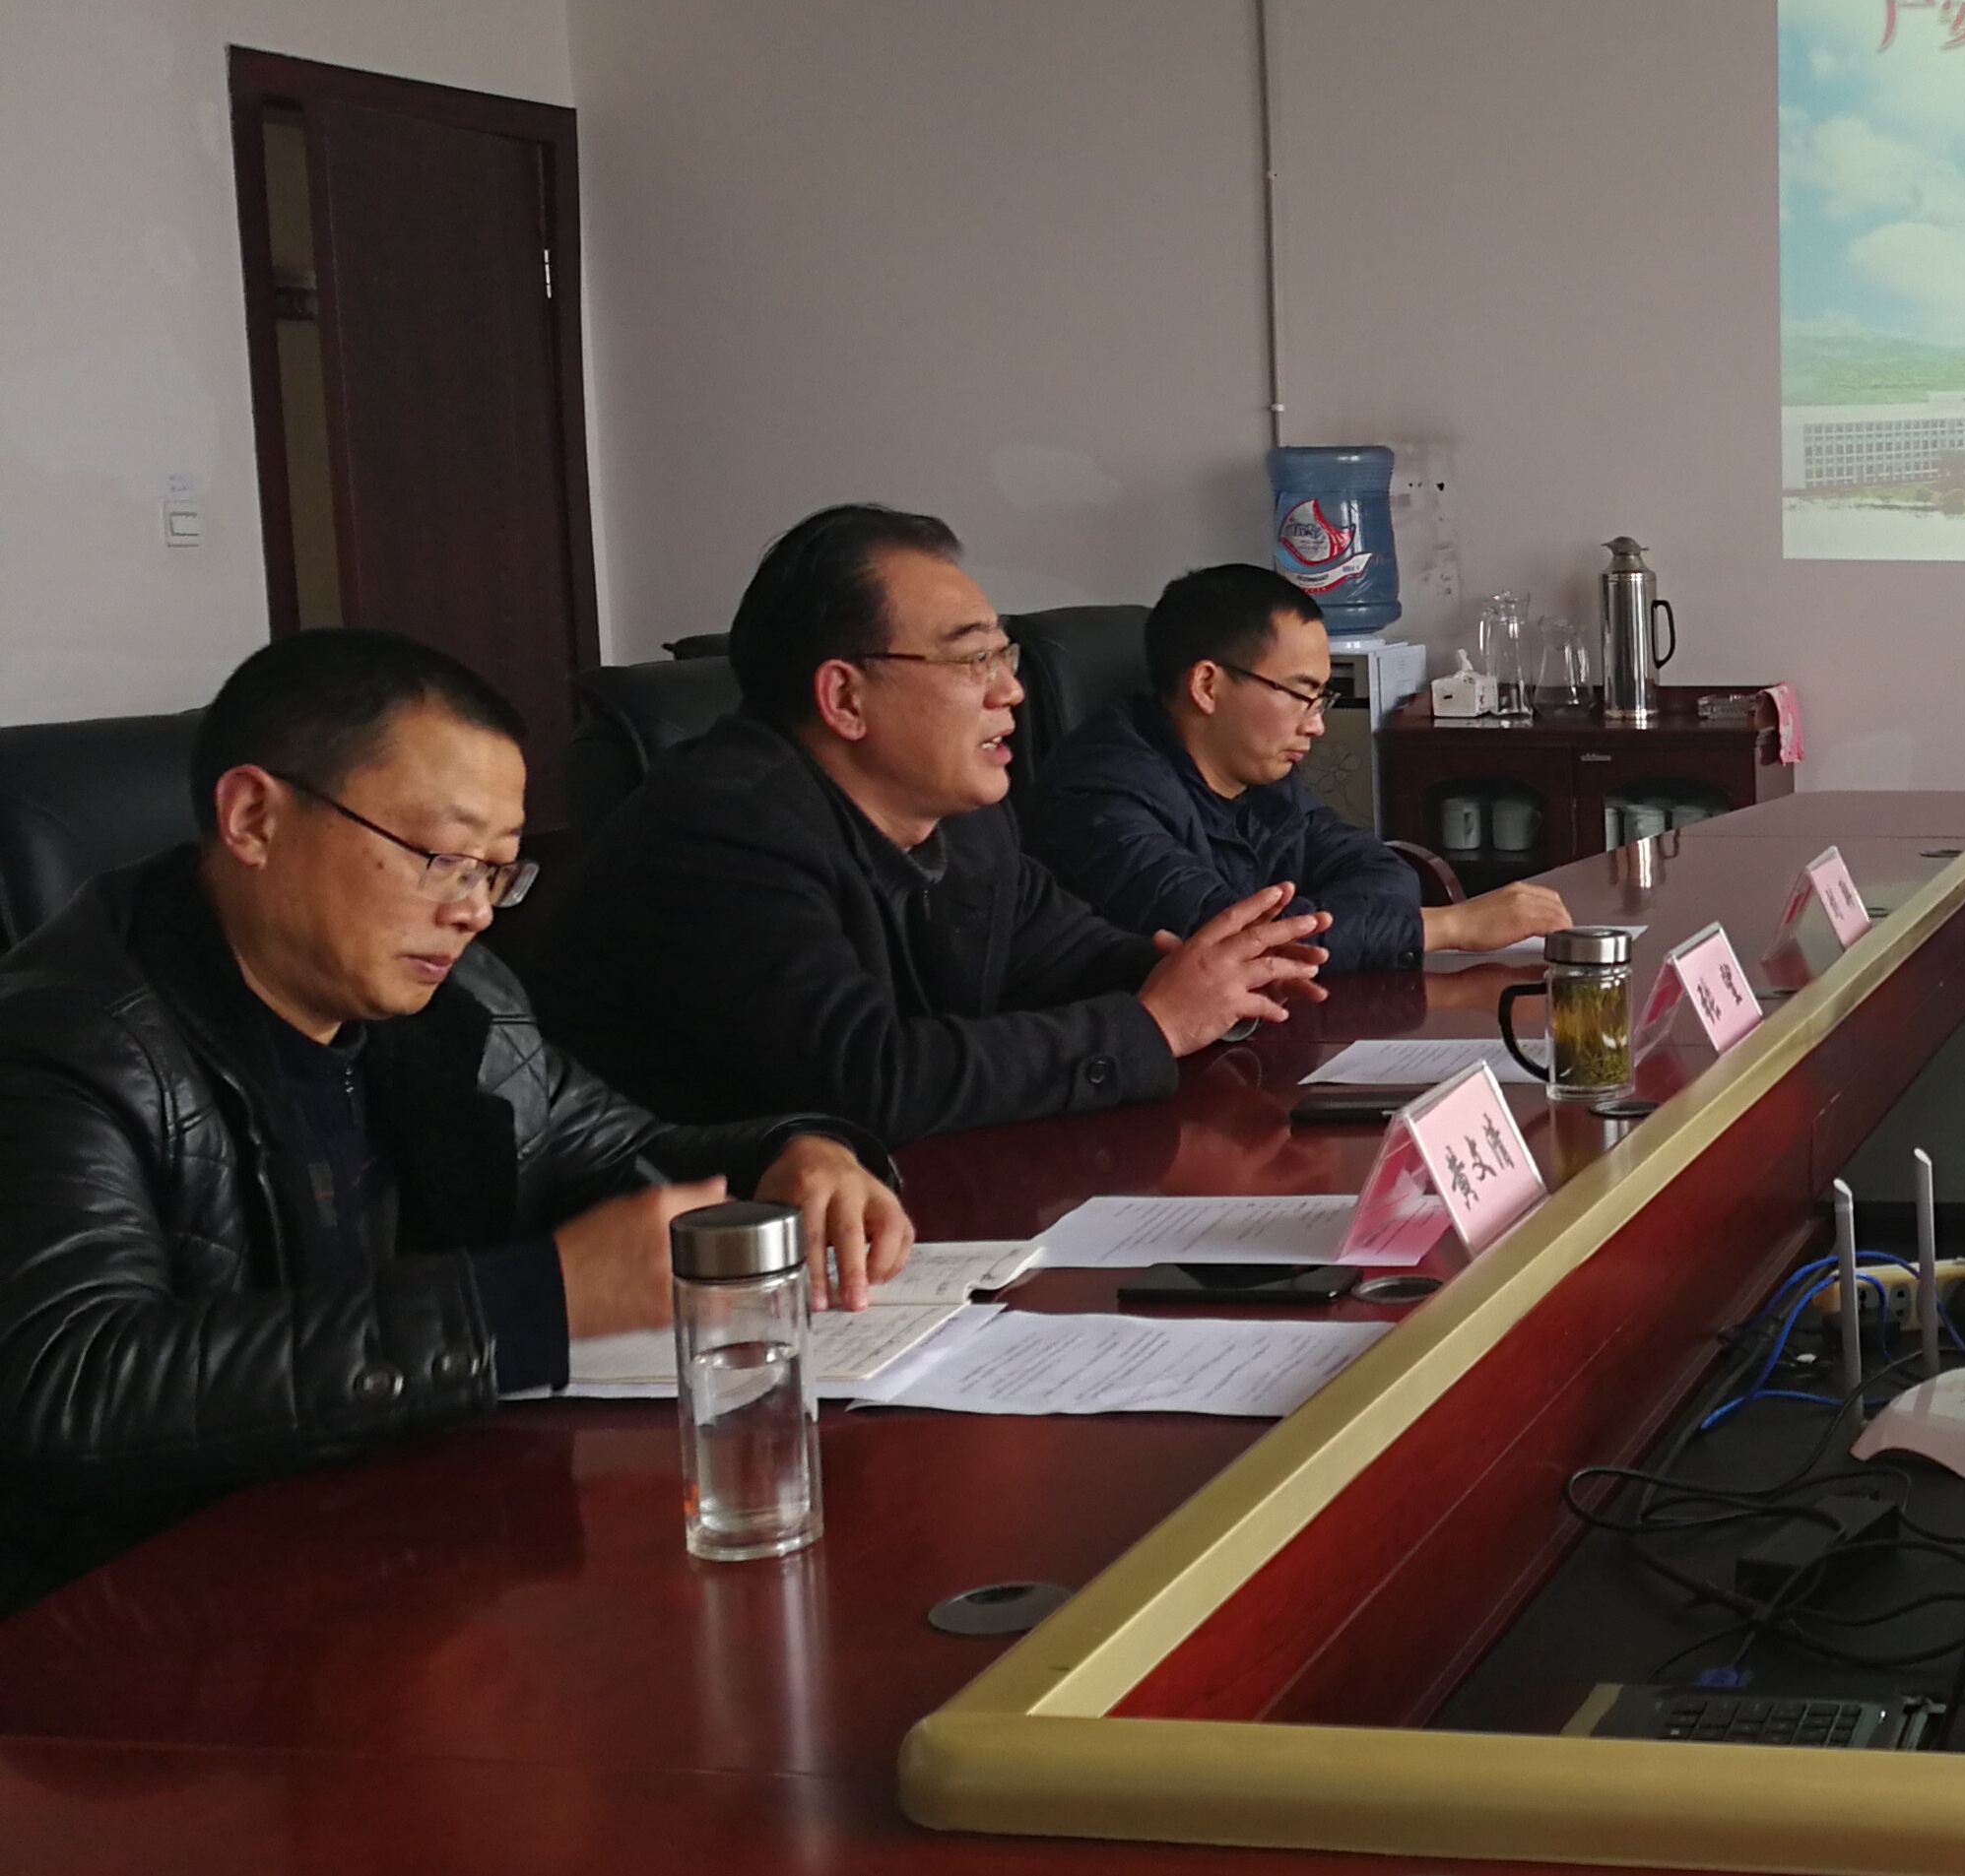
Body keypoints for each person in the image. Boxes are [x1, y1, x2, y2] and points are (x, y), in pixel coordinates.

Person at [0, 631, 910, 1609]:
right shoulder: (67, 1041)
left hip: (393, 1556)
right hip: (142, 1619)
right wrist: (520, 1306)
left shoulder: (462, 1005)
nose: (473, 911)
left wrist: (797, 1151)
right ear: (254, 817)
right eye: (441, 857)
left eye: (496, 871)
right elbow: (70, 1382)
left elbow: (629, 1156)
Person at [534, 506, 1326, 1147]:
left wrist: (1210, 978)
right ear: (844, 698)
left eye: (1006, 656)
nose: (1011, 692)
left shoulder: (965, 821)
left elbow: (1067, 957)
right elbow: (866, 1079)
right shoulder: (721, 830)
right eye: (973, 661)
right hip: (703, 1250)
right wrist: (1154, 1024)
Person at [1031, 565, 1572, 961]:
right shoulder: (1100, 800)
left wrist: (1318, 924)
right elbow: (1232, 948)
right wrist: (1449, 927)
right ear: (1207, 685)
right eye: (1299, 694)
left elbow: (1379, 870)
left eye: (1321, 700)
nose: (1316, 725)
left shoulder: (1260, 773)